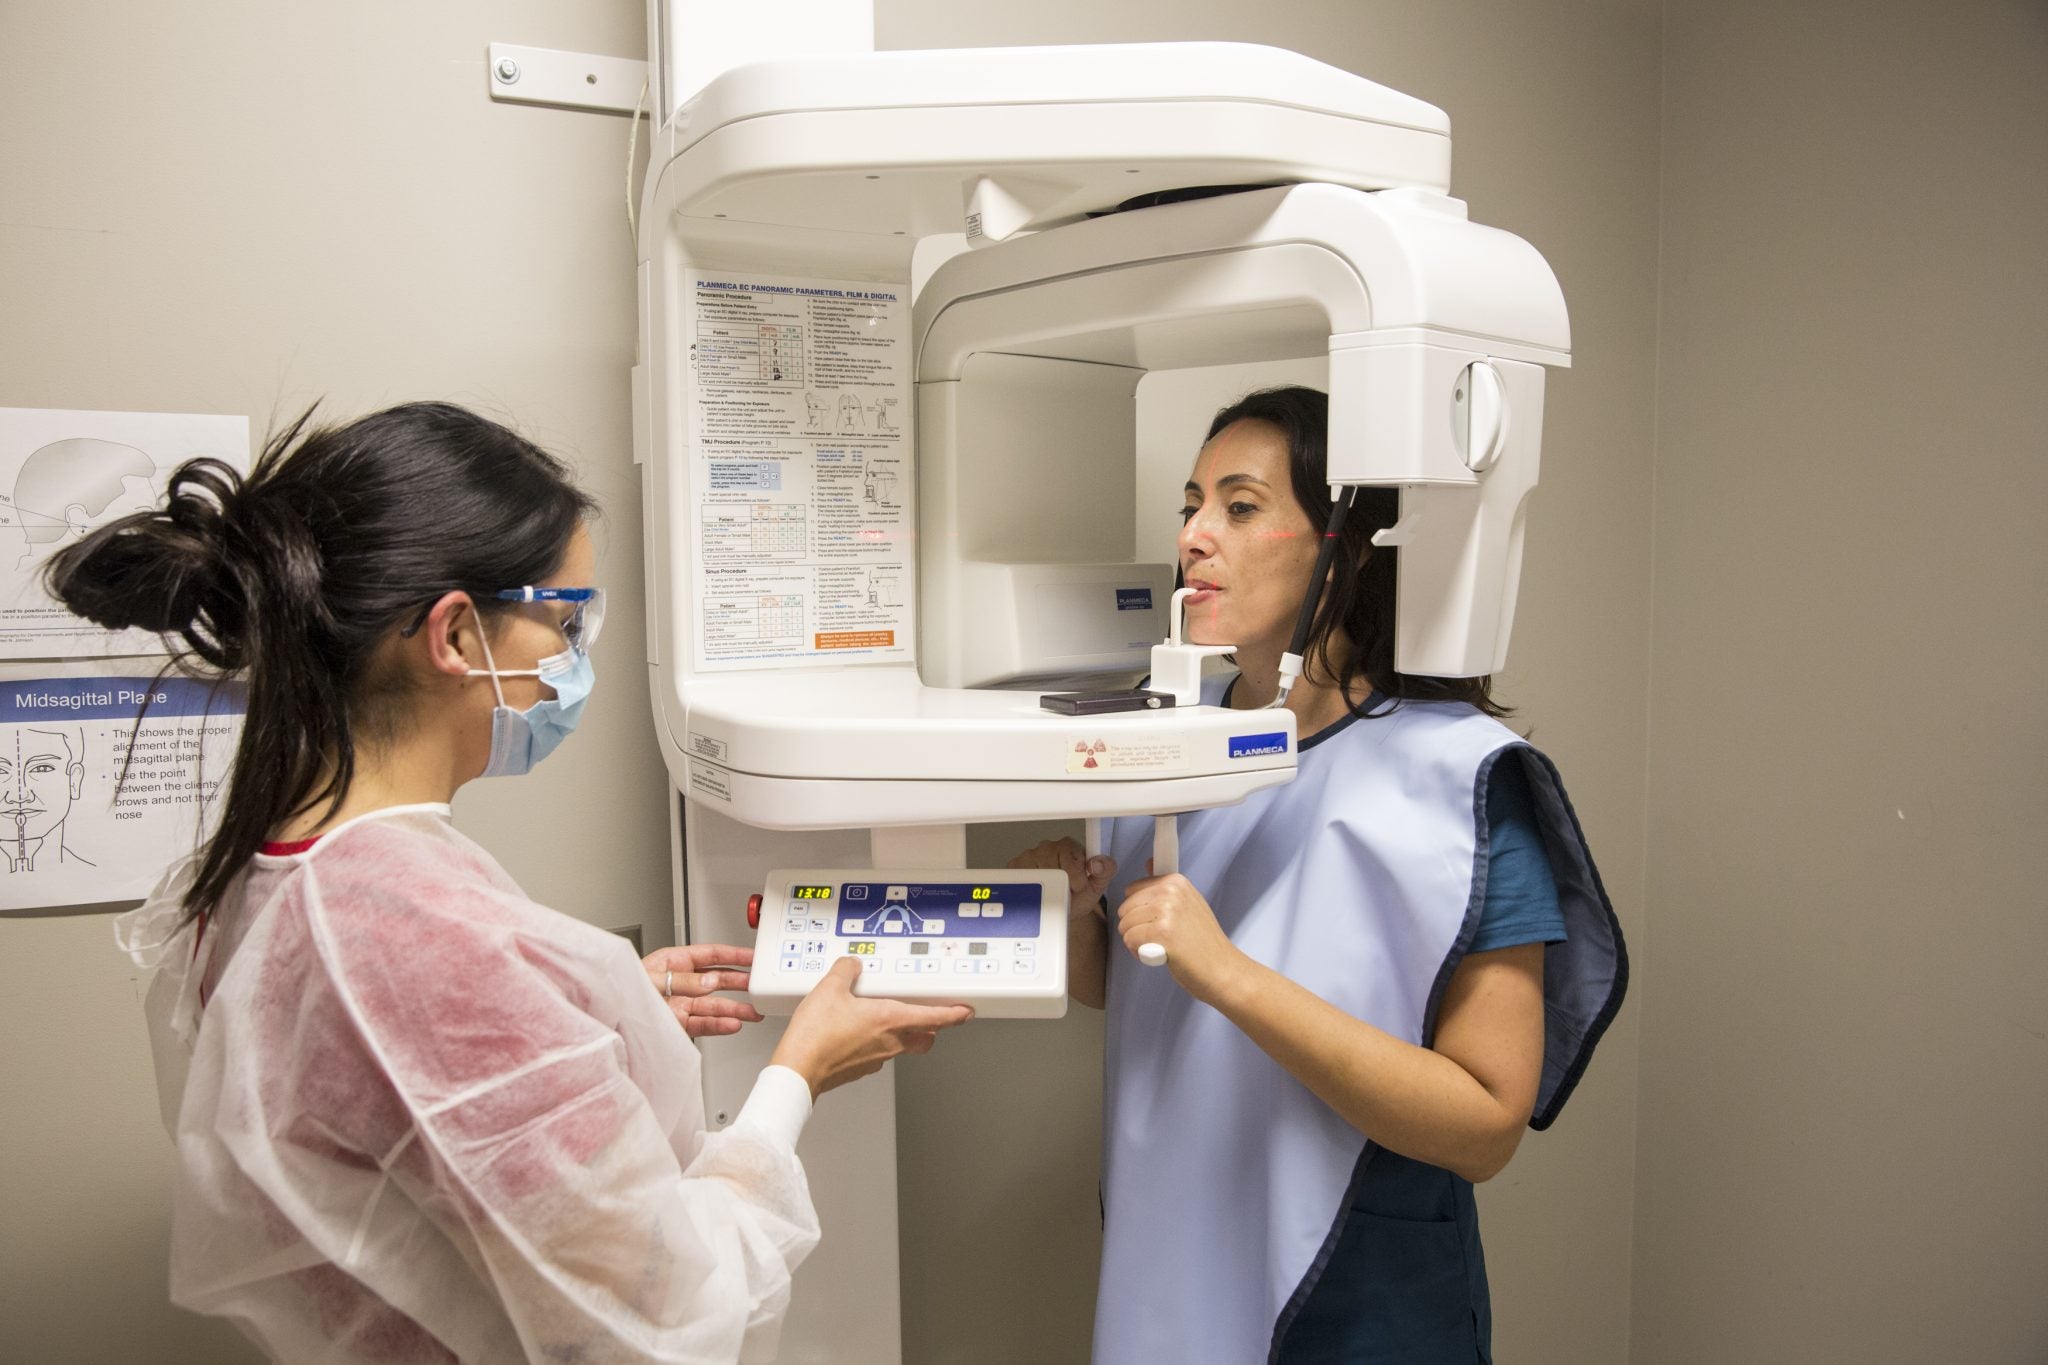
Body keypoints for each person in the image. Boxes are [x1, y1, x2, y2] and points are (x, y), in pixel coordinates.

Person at [49, 402, 972, 1364]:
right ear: (454, 636)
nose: (576, 660)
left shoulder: (278, 869)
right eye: (568, 620)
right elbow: (669, 1311)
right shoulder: (416, 938)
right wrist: (799, 1075)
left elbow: (401, 1097)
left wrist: (575, 1014)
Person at [1013, 386, 1626, 1364]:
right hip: (1165, 1261)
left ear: (1342, 543)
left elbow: (1481, 1126)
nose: (1194, 537)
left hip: (1355, 1301)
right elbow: (1142, 995)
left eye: (1240, 505)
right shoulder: (1162, 742)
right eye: (1190, 506)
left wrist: (1228, 971)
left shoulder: (1459, 782)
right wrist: (1069, 925)